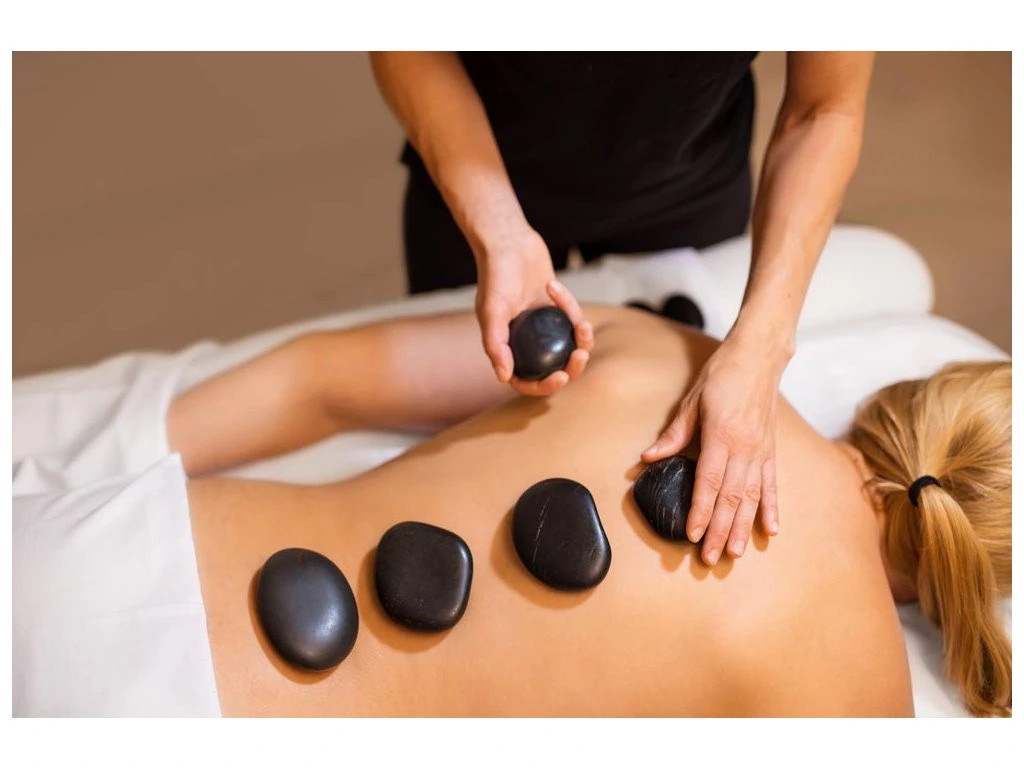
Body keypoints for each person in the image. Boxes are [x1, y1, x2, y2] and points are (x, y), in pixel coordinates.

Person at [167, 301, 1011, 717]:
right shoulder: (861, 702)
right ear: (972, 575)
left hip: (162, 542)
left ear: (897, 399)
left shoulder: (667, 348)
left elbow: (320, 381)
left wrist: (121, 472)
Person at [370, 52, 876, 568]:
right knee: (460, 407)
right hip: (482, 149)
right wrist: (498, 230)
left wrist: (762, 346)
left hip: (688, 174)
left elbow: (825, 108)